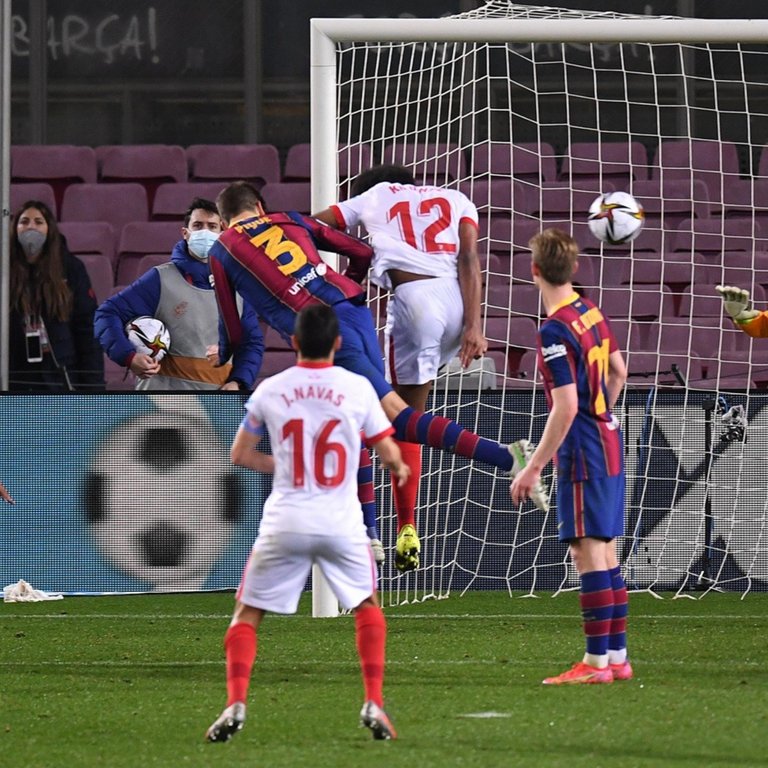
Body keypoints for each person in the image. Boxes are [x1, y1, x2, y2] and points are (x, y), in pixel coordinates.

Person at [208, 181, 546, 573]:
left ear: (224, 220)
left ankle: (507, 456)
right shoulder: (288, 219)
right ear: (260, 206)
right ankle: (369, 533)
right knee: (360, 417)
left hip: (324, 330)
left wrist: (227, 354)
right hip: (352, 309)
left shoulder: (223, 249)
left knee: (396, 417)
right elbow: (361, 250)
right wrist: (344, 283)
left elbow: (231, 324)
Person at [205, 304, 408, 743]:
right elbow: (390, 454)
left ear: (293, 343)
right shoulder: (357, 388)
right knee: (368, 607)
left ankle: (235, 702)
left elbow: (239, 455)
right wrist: (398, 468)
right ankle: (374, 699)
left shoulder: (269, 390)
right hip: (341, 521)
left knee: (247, 613)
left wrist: (284, 466)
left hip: (286, 520)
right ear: (338, 344)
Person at [313, 164, 488, 577]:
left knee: (391, 416)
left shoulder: (376, 195)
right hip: (458, 306)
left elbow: (314, 224)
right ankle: (406, 525)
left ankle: (374, 525)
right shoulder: (458, 199)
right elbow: (469, 258)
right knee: (410, 416)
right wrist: (475, 327)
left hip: (415, 299)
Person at [510, 228, 631, 685]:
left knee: (587, 555)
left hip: (583, 448)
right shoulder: (589, 309)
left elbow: (565, 405)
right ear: (574, 268)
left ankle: (595, 664)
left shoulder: (555, 328)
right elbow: (619, 370)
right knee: (607, 552)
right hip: (609, 437)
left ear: (534, 269)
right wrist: (604, 412)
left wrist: (534, 467)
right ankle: (616, 658)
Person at [94, 198, 262, 391]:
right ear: (185, 233)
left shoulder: (240, 288)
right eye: (198, 226)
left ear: (223, 234)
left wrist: (238, 382)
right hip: (161, 409)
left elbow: (251, 343)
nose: (204, 232)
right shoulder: (160, 279)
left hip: (217, 411)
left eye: (212, 226)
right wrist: (129, 357)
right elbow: (107, 314)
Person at [8, 200, 105, 392]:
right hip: (13, 372)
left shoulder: (71, 269)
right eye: (24, 222)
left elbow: (87, 328)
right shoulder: (5, 269)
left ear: (49, 229)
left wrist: (93, 387)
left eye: (38, 222)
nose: (31, 227)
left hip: (59, 373)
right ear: (14, 228)